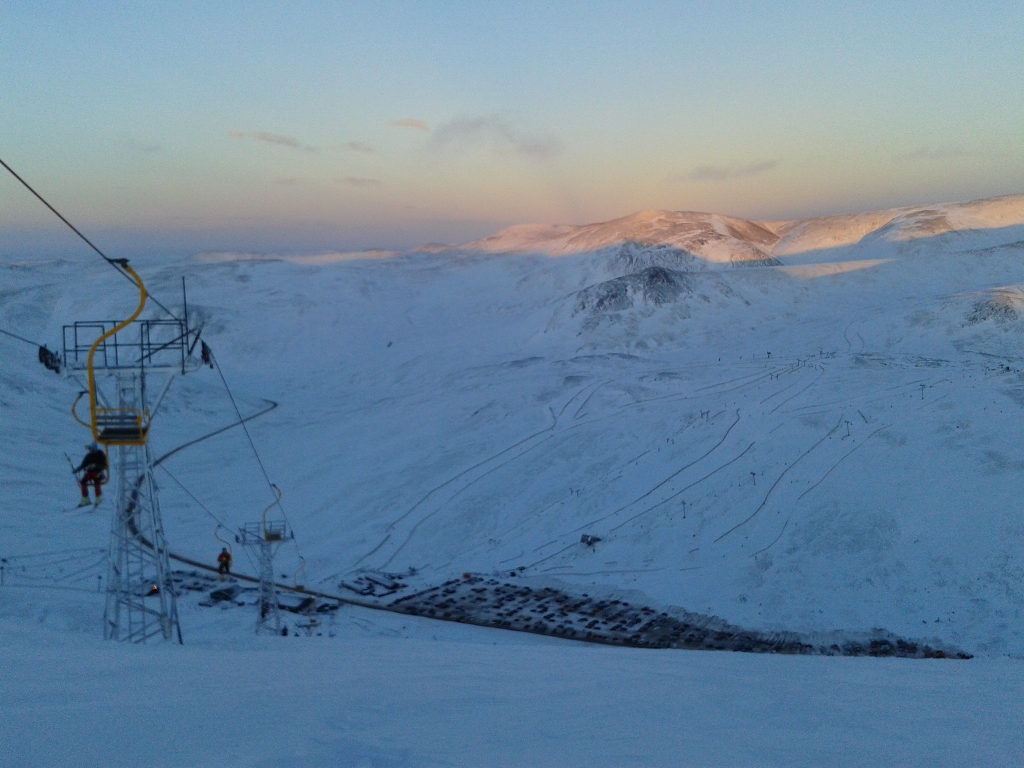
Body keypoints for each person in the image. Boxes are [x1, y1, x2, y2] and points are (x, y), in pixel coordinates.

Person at [74, 442, 107, 507]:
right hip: (90, 472)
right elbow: (83, 465)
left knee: (96, 480)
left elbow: (104, 466)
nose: (89, 450)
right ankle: (85, 499)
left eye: (90, 449)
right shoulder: (88, 456)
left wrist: (95, 466)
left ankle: (98, 497)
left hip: (98, 472)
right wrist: (77, 470)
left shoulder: (101, 455)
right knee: (83, 482)